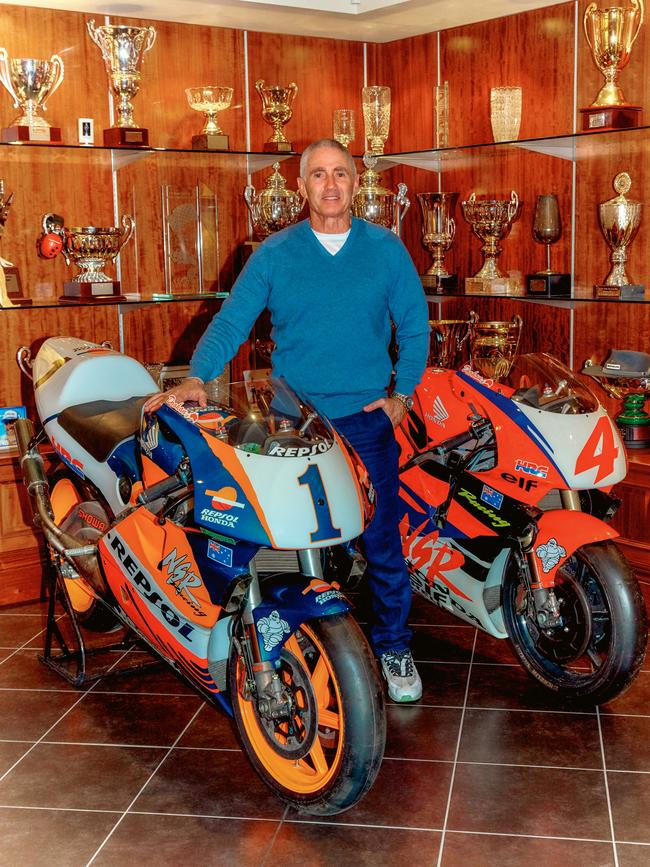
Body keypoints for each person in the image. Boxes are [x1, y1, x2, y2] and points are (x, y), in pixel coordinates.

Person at [144, 138, 429, 702]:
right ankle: (306, 639)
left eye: (340, 174)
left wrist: (403, 396)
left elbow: (415, 327)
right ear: (302, 188)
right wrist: (199, 375)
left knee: (380, 541)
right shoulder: (275, 253)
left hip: (367, 422)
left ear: (355, 184)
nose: (330, 185)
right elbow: (230, 323)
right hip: (292, 426)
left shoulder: (387, 250)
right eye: (318, 175)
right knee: (288, 541)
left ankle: (393, 645)